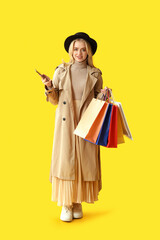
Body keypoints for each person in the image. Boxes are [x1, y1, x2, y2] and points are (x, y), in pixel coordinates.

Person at [41, 32, 110, 222]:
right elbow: (54, 100)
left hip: (87, 120)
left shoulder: (95, 74)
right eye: (76, 49)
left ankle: (77, 201)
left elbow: (98, 101)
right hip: (66, 120)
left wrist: (104, 95)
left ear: (88, 52)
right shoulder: (61, 71)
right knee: (66, 161)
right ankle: (66, 203)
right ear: (71, 50)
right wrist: (49, 87)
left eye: (83, 49)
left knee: (83, 161)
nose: (79, 53)